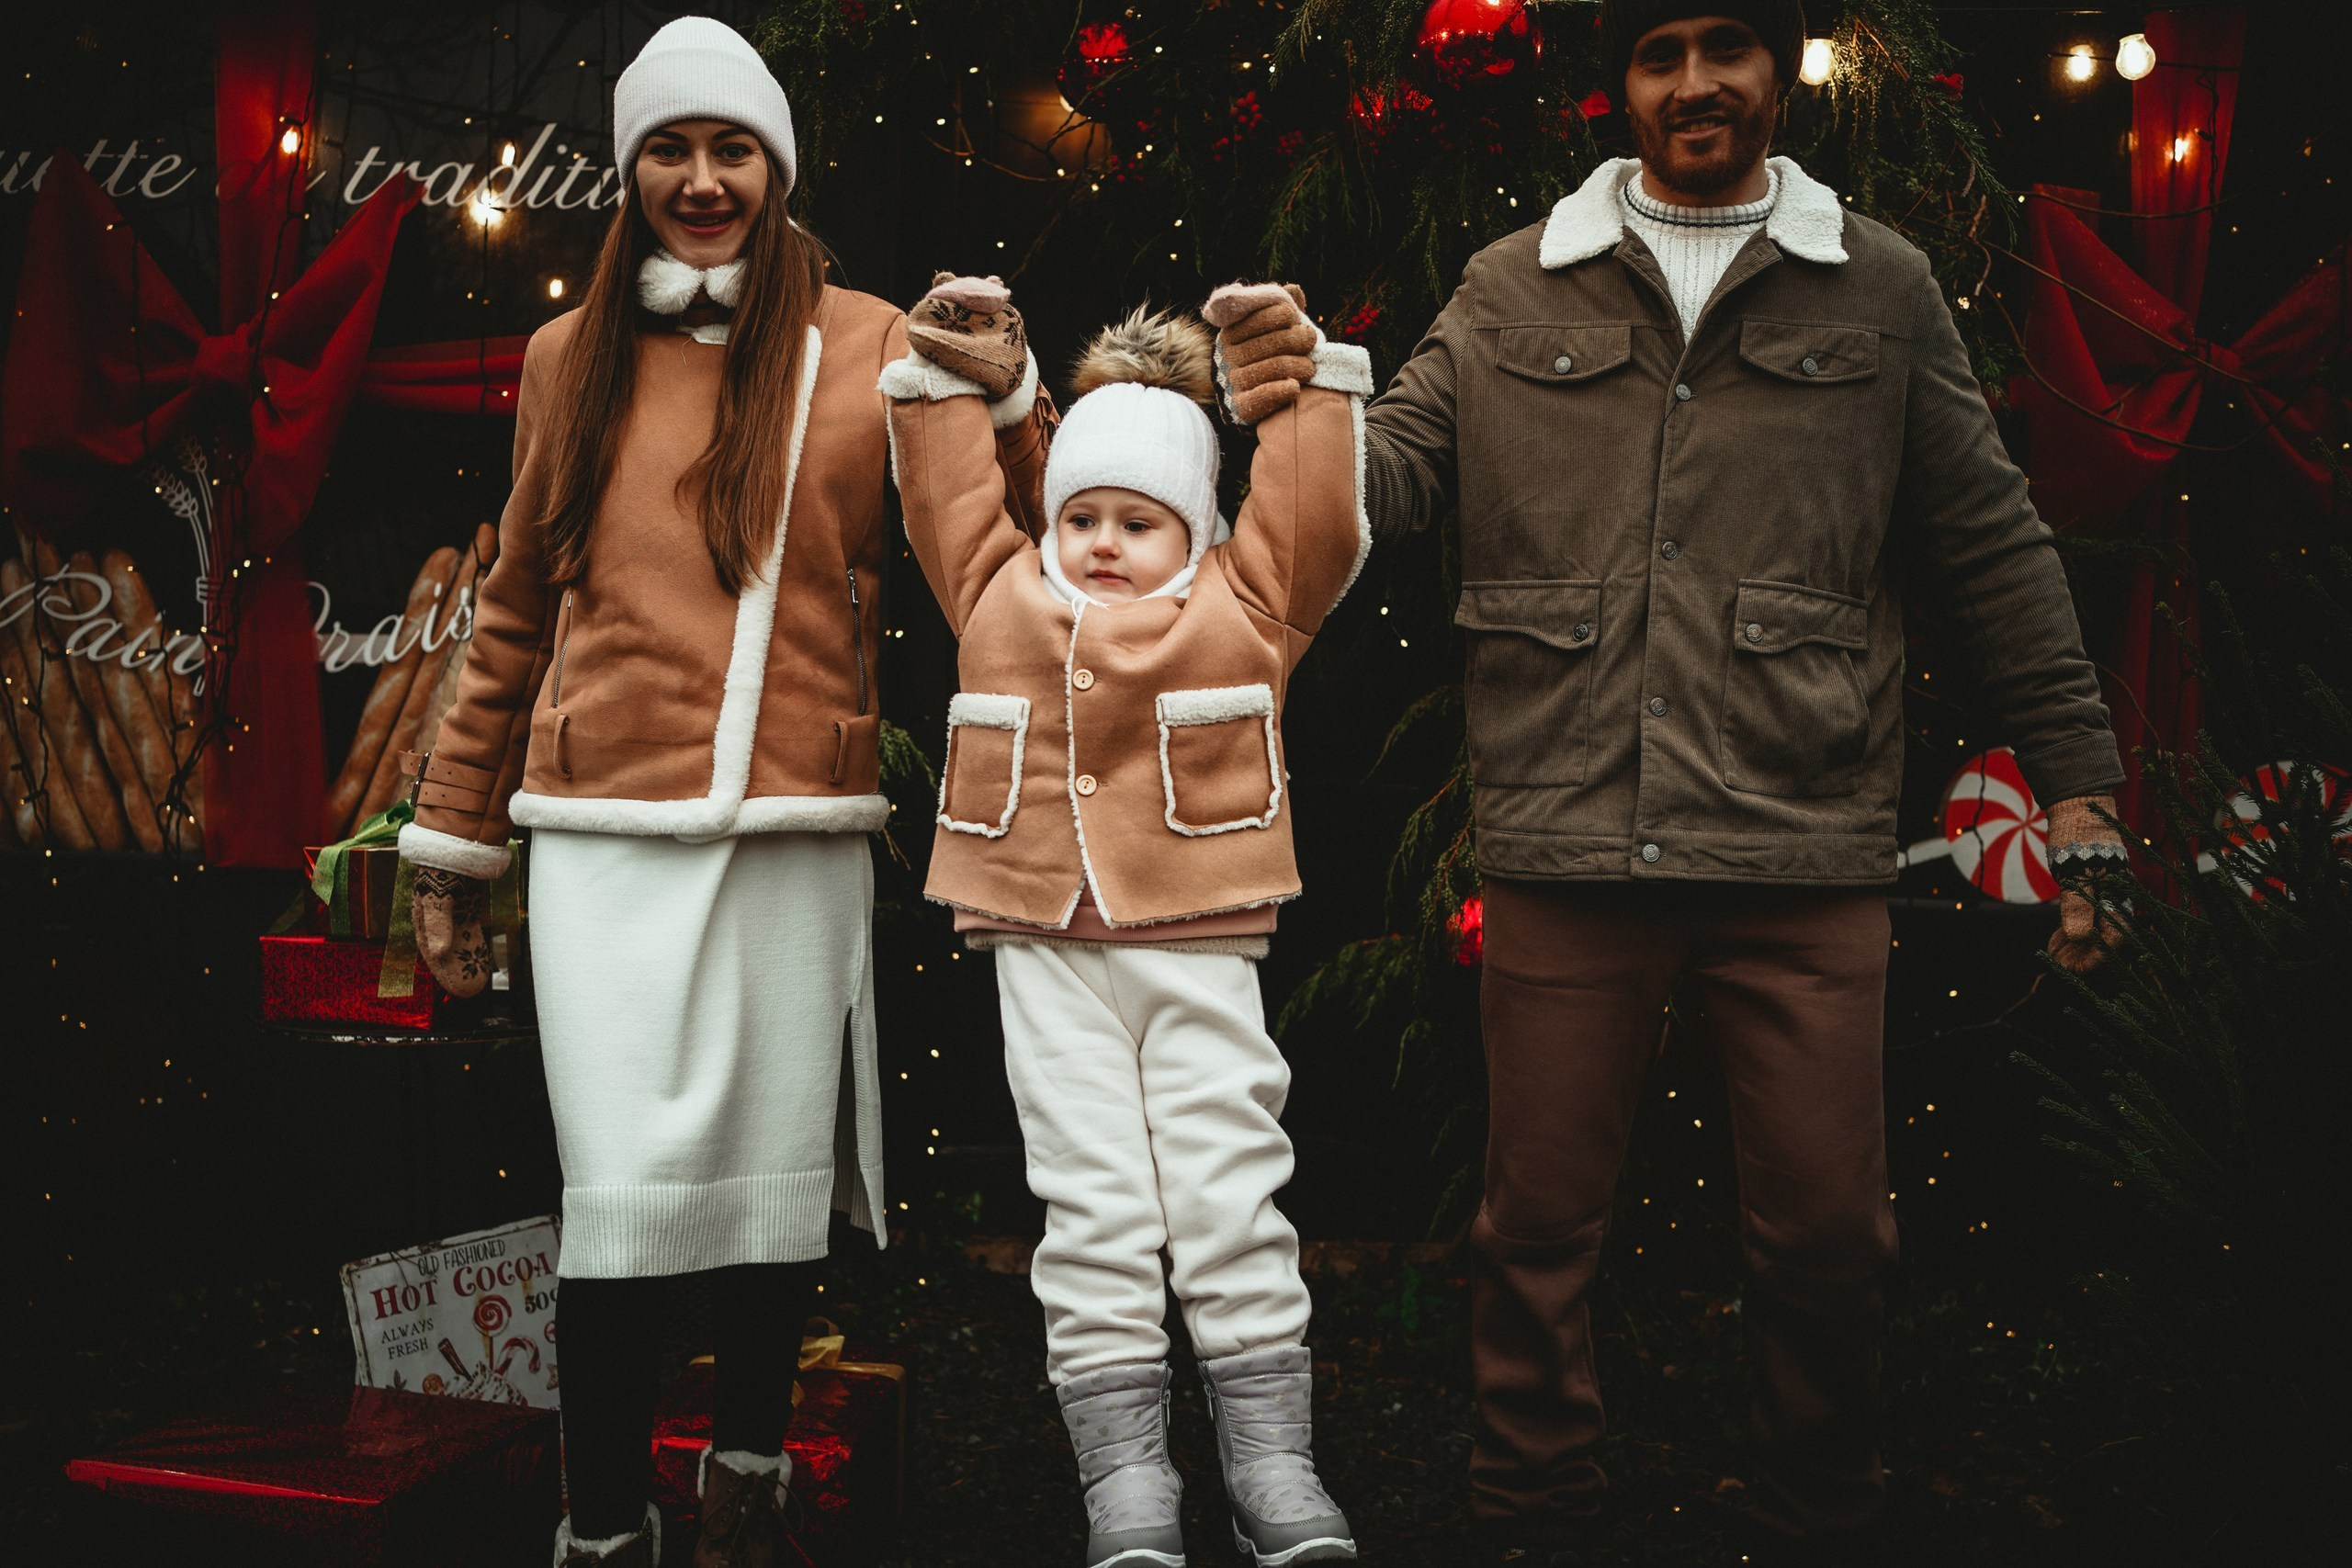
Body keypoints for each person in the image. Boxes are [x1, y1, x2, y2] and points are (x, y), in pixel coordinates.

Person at [1225, 2, 2132, 1560]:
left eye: (1729, 46)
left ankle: (1816, 1513)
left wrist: (2082, 790)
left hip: (1803, 838)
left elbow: (1993, 549)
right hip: (1566, 833)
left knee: (1829, 1236)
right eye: (1661, 53)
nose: (1697, 82)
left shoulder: (1881, 285)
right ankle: (1534, 1515)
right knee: (1534, 1232)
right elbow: (1389, 482)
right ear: (1622, 85)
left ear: (1779, 70)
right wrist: (1299, 394)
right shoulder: (1512, 283)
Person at [390, 19, 1047, 1567]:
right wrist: (452, 843)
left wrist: (1016, 396)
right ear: (631, 173)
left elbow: (1013, 557)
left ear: (776, 166)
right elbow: (513, 609)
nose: (702, 180)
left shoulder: (873, 342)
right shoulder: (566, 358)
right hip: (600, 842)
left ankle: (747, 1504)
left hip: (791, 834)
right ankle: (604, 1529)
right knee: (615, 1208)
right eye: (671, 151)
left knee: (768, 1205)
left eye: (730, 148)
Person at [881, 277, 1371, 1567]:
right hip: (1044, 946)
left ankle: (1272, 1463)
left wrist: (1291, 382)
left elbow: (1316, 518)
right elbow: (944, 499)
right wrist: (958, 381)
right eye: (1081, 514)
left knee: (1228, 1191)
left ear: (1196, 526)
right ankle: (1127, 1476)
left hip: (1197, 943)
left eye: (1140, 521)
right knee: (1091, 1203)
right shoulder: (996, 593)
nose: (1103, 541)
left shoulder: (1247, 604)